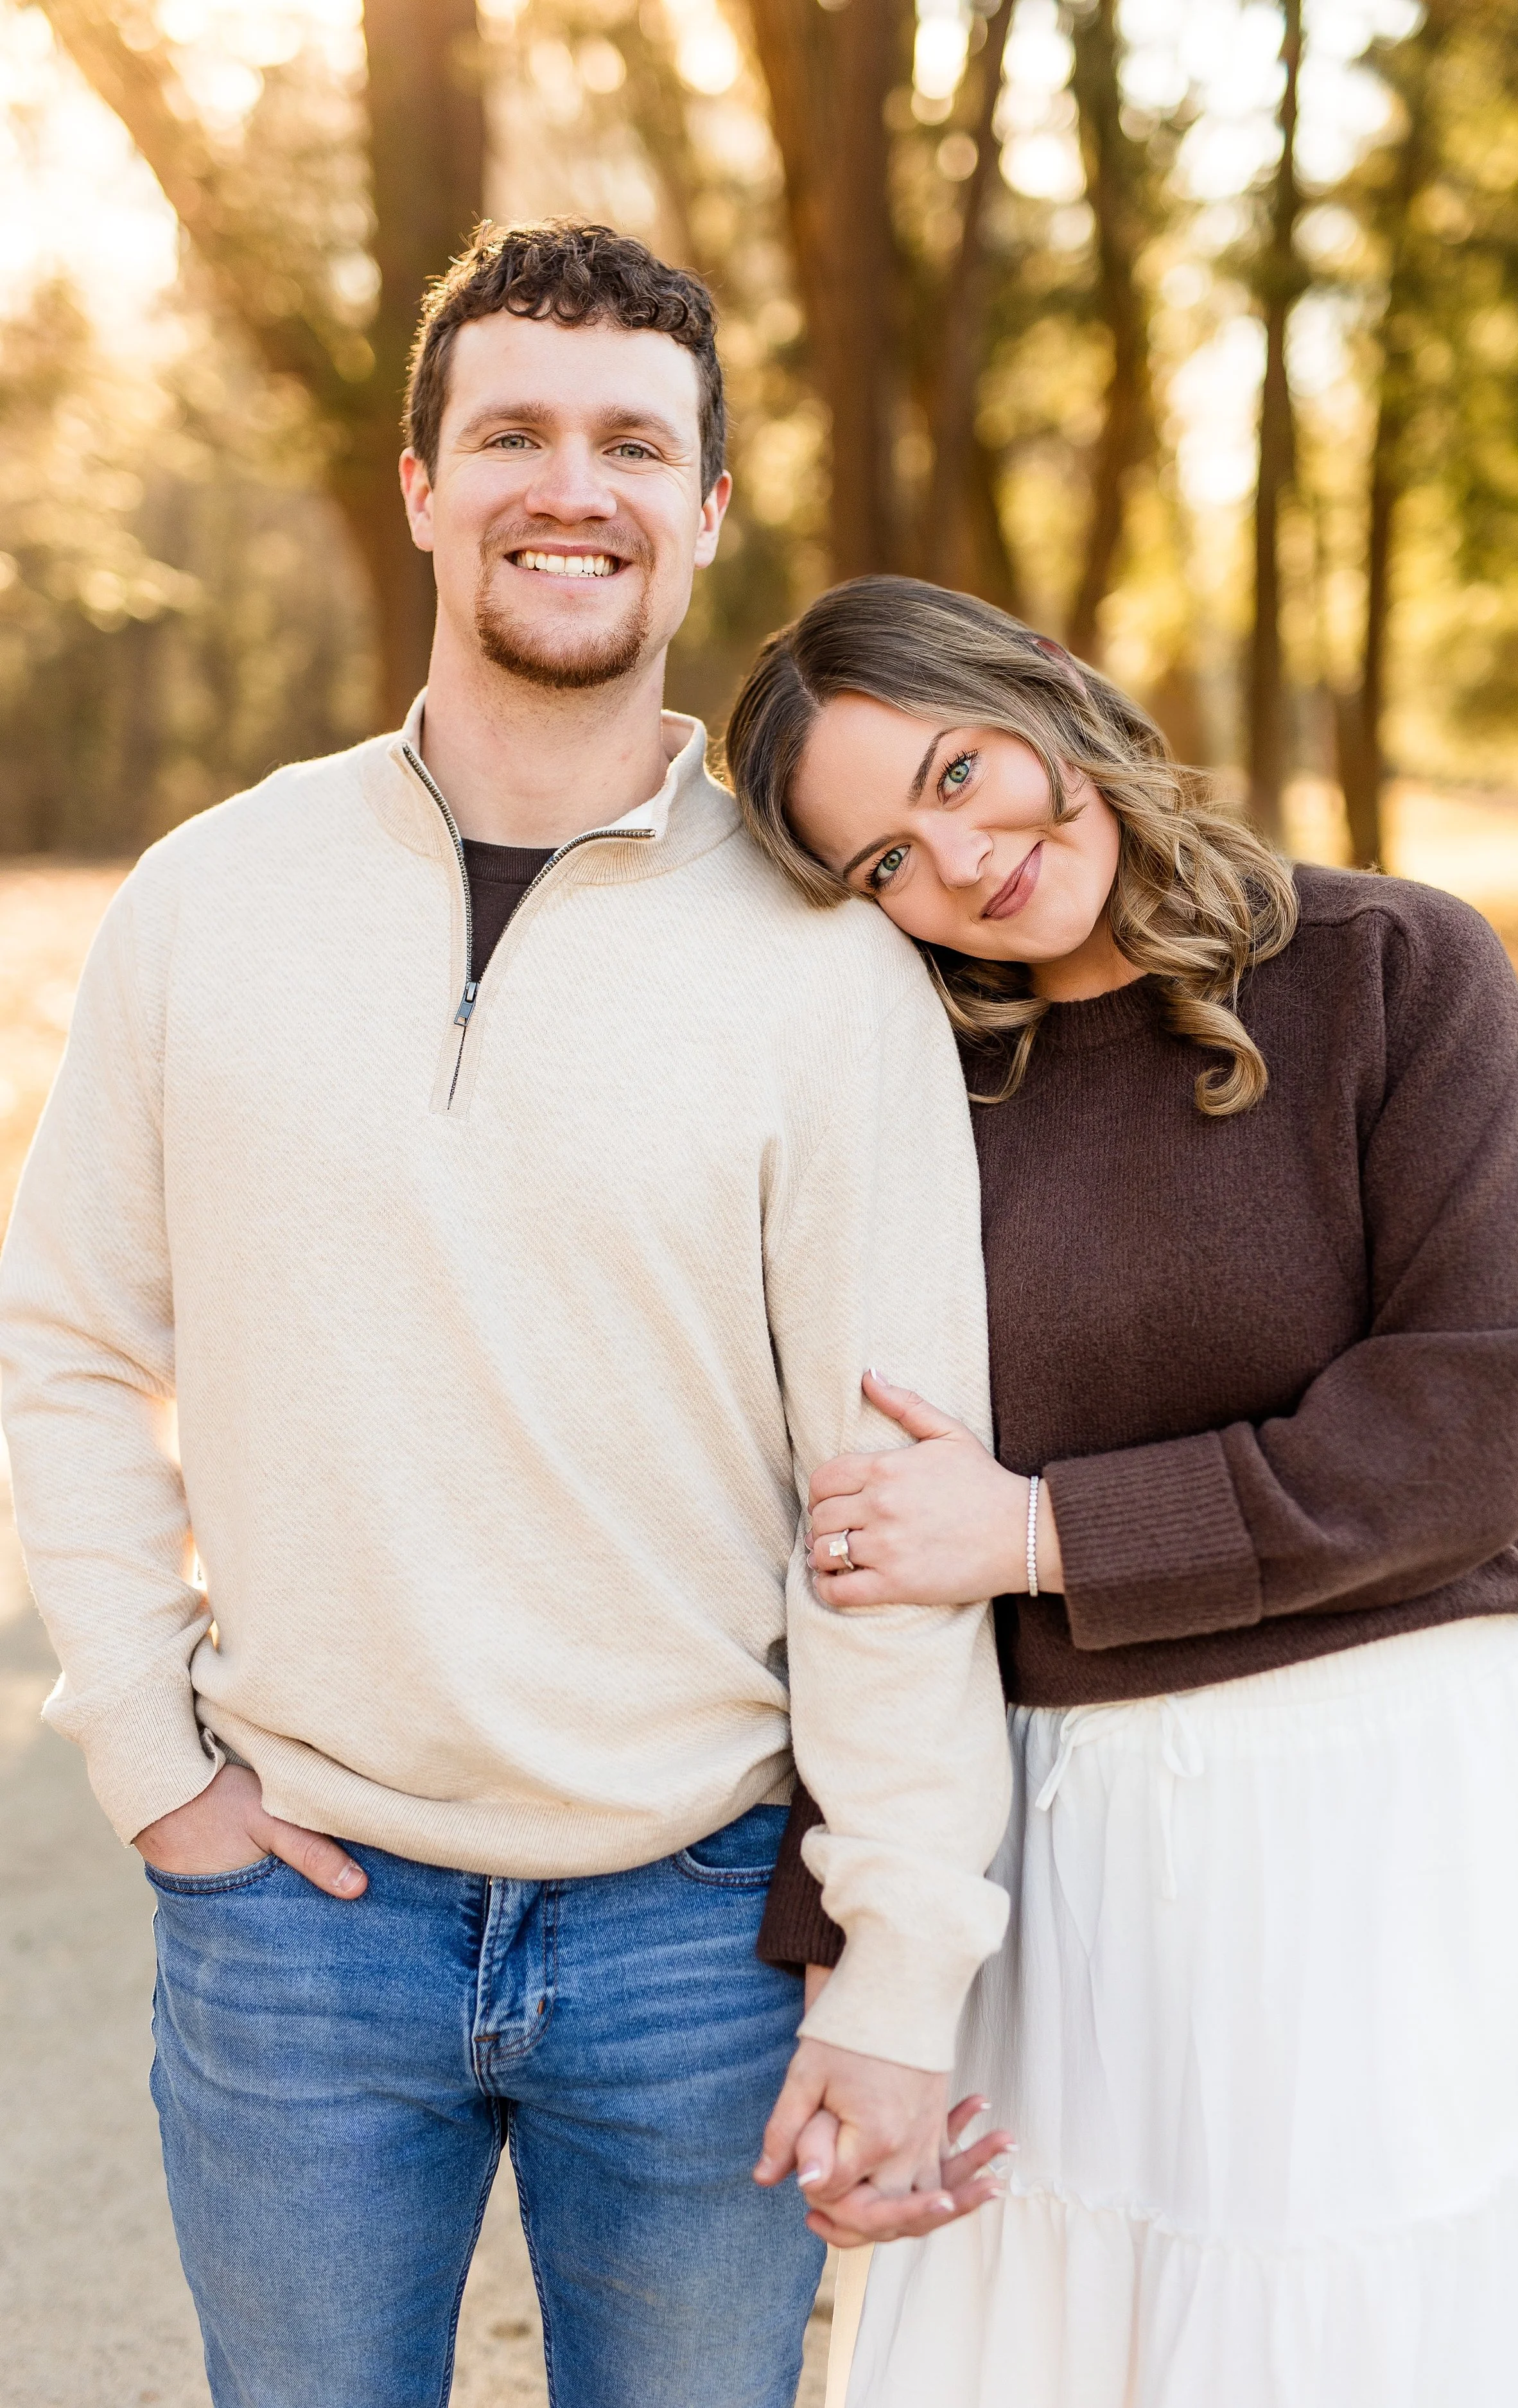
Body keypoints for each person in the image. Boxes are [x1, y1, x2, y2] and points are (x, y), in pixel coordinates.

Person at [0, 234, 1016, 2408]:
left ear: (710, 508)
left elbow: (893, 1488)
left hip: (698, 1928)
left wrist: (897, 1965)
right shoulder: (213, 895)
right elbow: (68, 1335)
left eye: (636, 440)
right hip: (296, 1919)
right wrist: (152, 1754)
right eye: (517, 433)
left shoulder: (825, 966)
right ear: (422, 485)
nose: (578, 485)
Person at [724, 573, 1518, 2408]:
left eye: (961, 771)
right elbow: (857, 1539)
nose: (959, 859)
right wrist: (853, 1969)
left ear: (1048, 695)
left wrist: (1044, 1528)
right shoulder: (918, 1100)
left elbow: (1464, 1433)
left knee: (1342, 2332)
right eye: (883, 858)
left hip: (1382, 1808)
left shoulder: (1391, 970)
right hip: (1068, 1840)